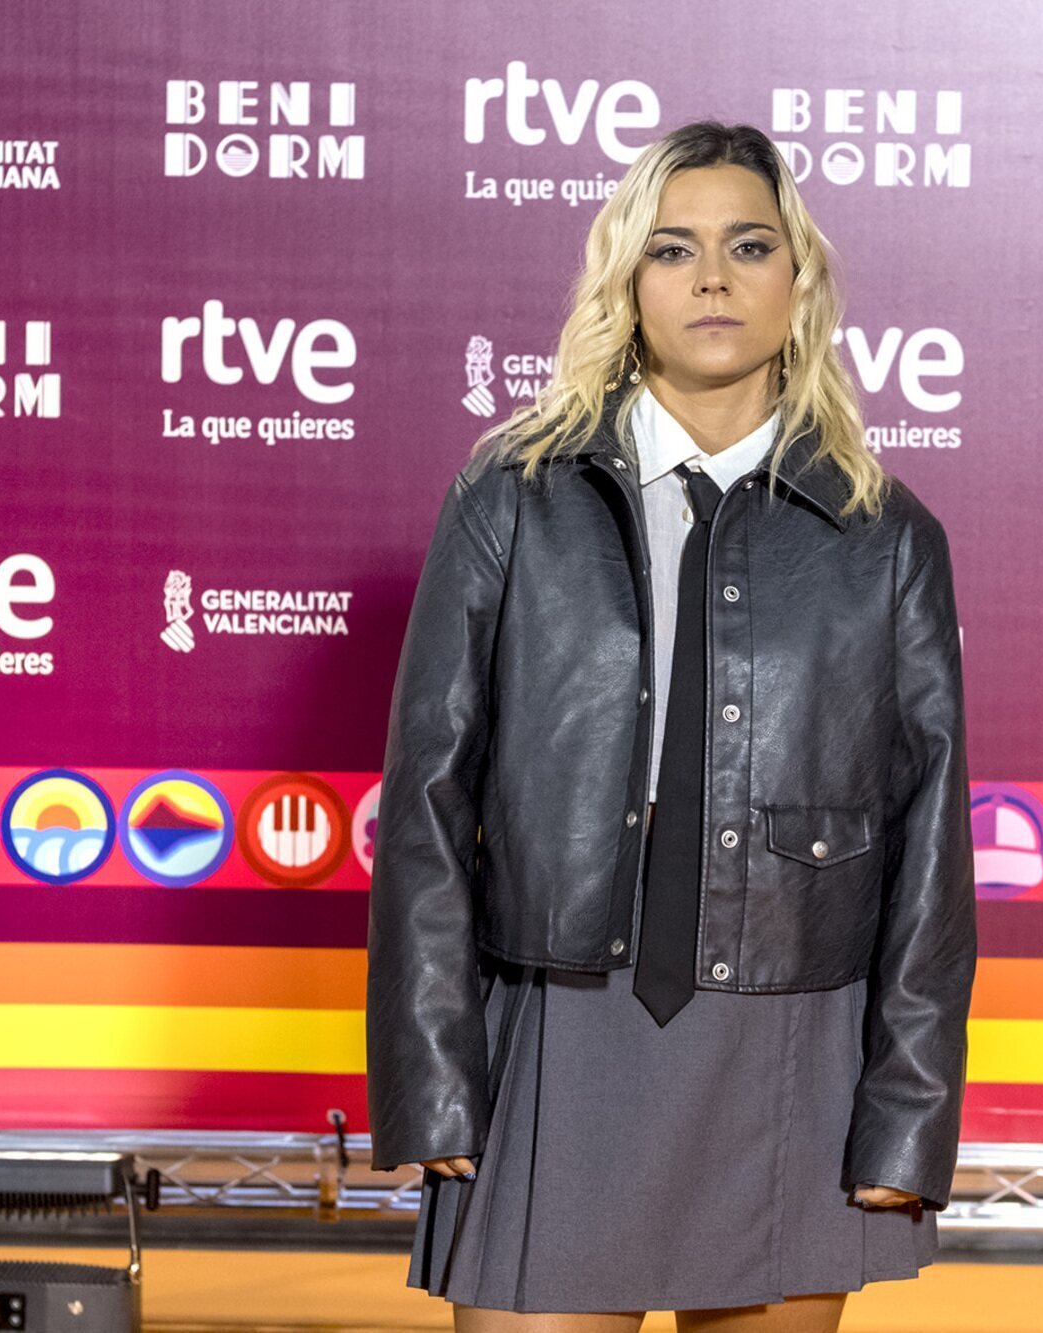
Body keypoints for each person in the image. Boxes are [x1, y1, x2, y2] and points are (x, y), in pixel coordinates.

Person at [367, 119, 975, 1331]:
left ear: (796, 284)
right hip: (556, 1028)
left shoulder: (884, 535)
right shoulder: (509, 498)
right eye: (671, 248)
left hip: (791, 1042)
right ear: (625, 285)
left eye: (748, 245)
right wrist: (434, 1080)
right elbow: (427, 807)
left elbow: (928, 851)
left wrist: (907, 1112)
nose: (711, 277)